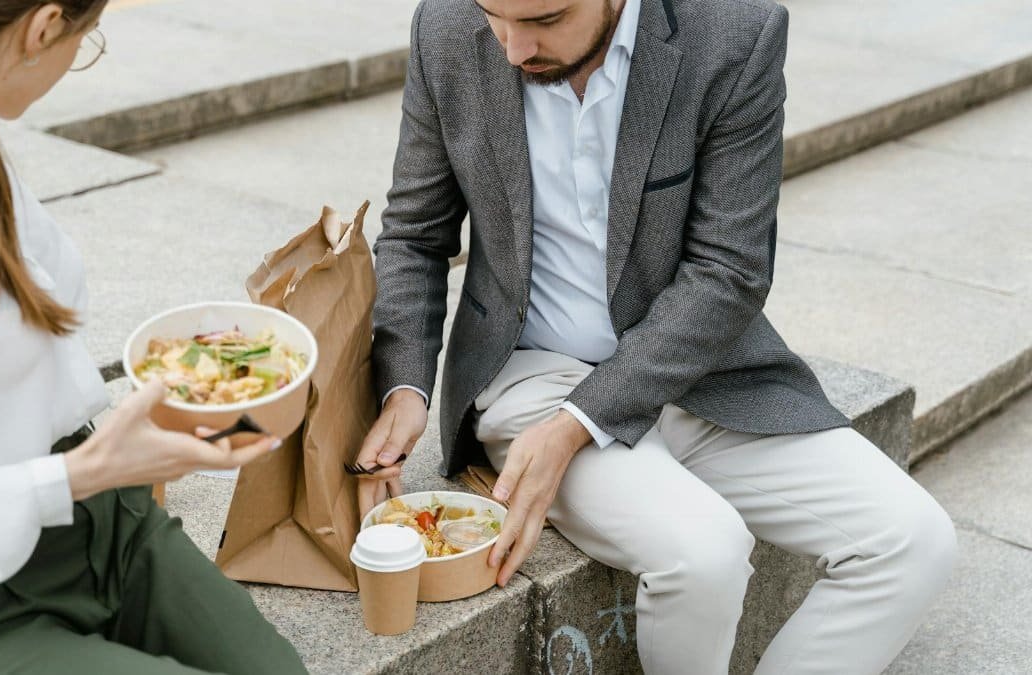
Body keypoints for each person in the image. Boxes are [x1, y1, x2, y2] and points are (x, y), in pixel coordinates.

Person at [356, 0, 957, 672]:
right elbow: (414, 231)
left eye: (546, 20)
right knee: (703, 553)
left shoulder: (733, 37)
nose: (513, 49)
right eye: (496, 16)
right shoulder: (445, 26)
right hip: (533, 374)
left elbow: (729, 270)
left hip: (701, 371)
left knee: (915, 541)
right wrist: (404, 384)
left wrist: (578, 424)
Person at [0, 2, 306, 673]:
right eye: (89, 39)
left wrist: (146, 437)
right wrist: (74, 474)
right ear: (45, 26)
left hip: (110, 523)